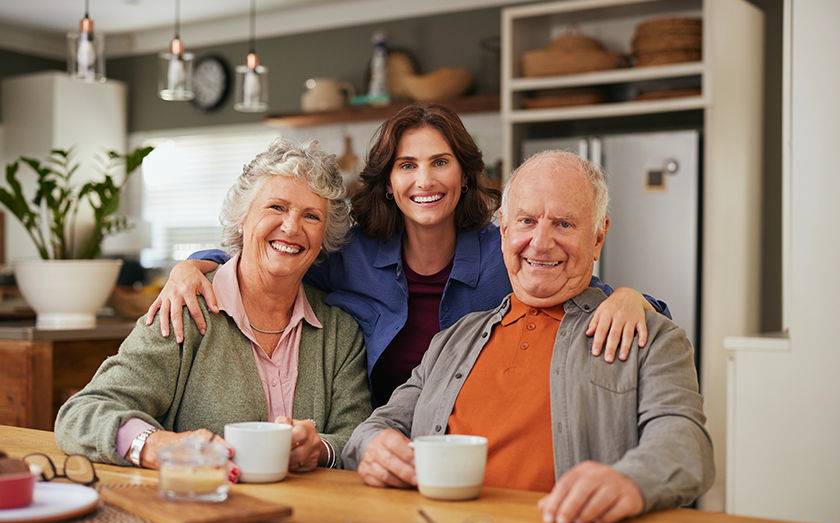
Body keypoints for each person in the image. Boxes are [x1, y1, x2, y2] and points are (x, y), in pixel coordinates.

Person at [147, 103, 669, 408]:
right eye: (406, 166)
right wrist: (195, 264)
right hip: (376, 445)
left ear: (463, 176)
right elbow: (274, 252)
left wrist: (629, 297)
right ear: (390, 182)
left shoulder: (504, 252)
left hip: (469, 443)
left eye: (440, 162)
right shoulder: (350, 253)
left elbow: (581, 287)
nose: (424, 180)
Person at [341, 150, 714, 523]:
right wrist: (372, 446)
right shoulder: (453, 340)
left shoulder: (651, 338)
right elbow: (376, 427)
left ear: (598, 236)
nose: (540, 242)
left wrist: (631, 481)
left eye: (564, 224)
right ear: (503, 230)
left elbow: (686, 444)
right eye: (527, 221)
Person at [55, 139, 371, 479]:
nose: (292, 227)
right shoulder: (185, 309)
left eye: (311, 215)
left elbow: (356, 437)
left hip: (307, 521)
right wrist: (155, 446)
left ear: (325, 236)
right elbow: (81, 414)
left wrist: (320, 449)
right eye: (276, 207)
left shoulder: (341, 331)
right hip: (200, 509)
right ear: (242, 219)